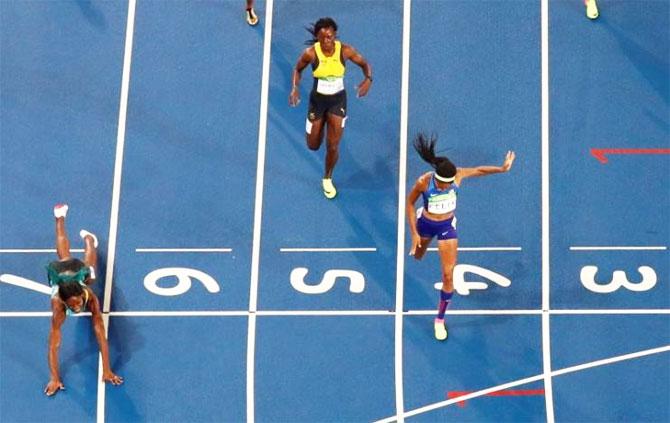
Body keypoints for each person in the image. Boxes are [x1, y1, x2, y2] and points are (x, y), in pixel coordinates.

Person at [406, 134, 515, 341]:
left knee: (448, 275)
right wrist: (413, 234)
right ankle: (420, 242)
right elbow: (409, 204)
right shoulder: (423, 182)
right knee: (418, 256)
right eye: (440, 184)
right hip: (426, 223)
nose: (443, 187)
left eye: (446, 185)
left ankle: (439, 319)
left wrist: (502, 168)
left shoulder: (456, 176)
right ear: (435, 177)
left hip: (446, 226)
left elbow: (480, 170)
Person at [289, 17, 372, 199]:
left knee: (333, 146)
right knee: (313, 145)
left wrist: (368, 79)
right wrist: (295, 88)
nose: (327, 40)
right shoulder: (310, 54)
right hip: (317, 102)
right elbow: (297, 69)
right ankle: (319, 125)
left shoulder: (345, 51)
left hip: (337, 102)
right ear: (317, 37)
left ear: (335, 35)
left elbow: (364, 64)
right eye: (323, 37)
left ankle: (327, 178)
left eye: (330, 36)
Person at [44, 204, 123, 396]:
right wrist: (54, 377)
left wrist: (107, 369)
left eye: (78, 303)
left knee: (91, 271)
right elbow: (53, 345)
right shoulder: (58, 307)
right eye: (73, 306)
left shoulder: (89, 295)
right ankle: (59, 217)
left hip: (77, 270)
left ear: (82, 294)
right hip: (61, 271)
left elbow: (100, 332)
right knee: (63, 257)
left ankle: (89, 239)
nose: (78, 308)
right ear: (64, 303)